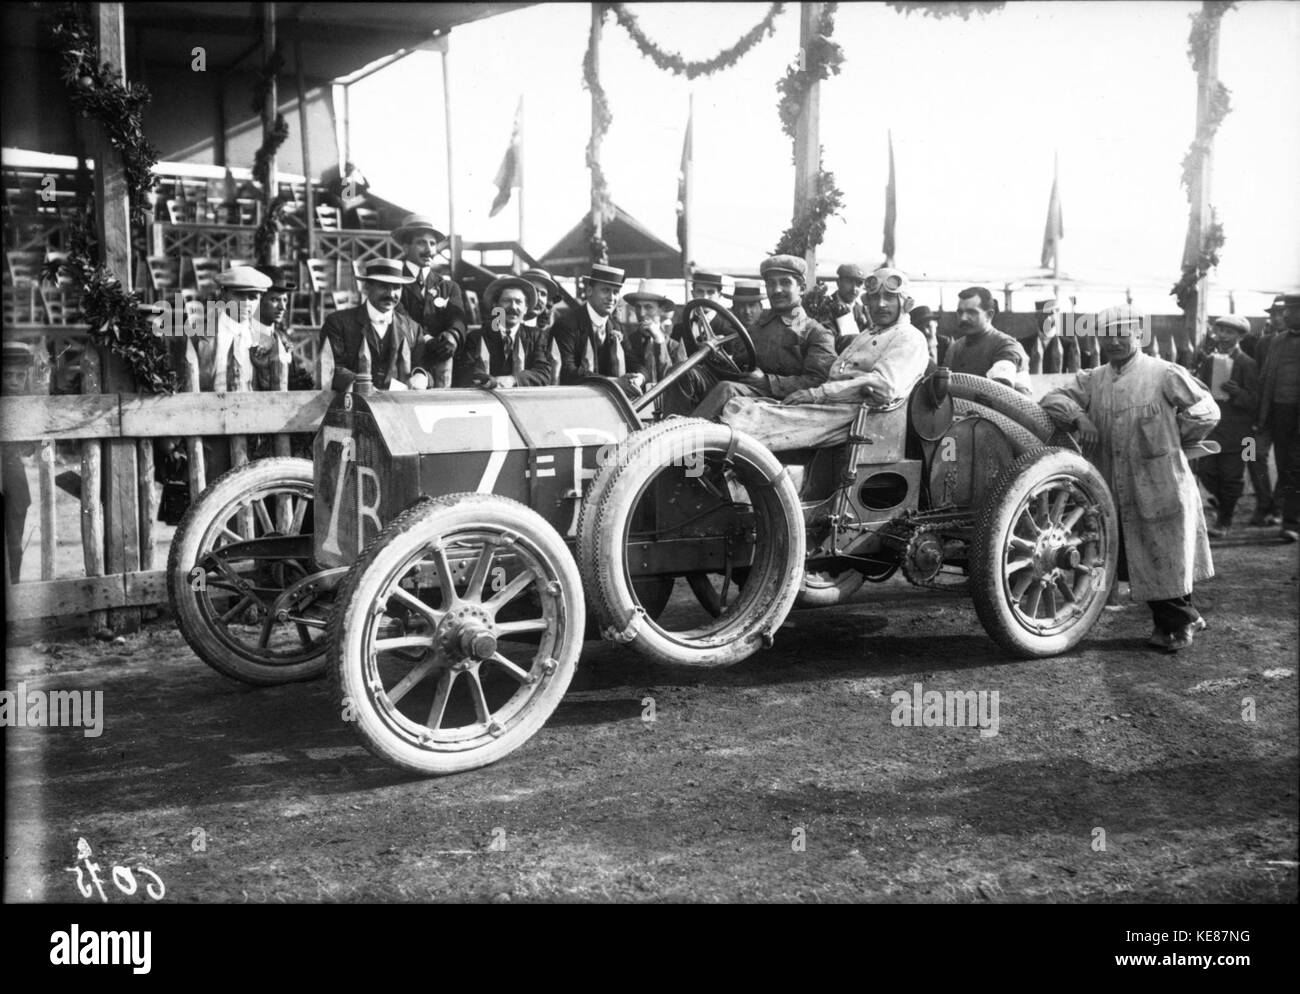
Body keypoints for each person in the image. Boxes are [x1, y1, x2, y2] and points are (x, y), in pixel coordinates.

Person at [1041, 304, 1220, 652]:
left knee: (1164, 553)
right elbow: (1052, 397)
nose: (1114, 342)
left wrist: (1174, 436)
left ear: (1139, 334)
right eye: (1106, 335)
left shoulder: (1164, 373)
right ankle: (1184, 617)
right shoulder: (1093, 379)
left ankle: (1180, 623)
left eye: (1122, 334)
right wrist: (1079, 416)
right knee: (1133, 555)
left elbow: (1206, 410)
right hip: (1112, 481)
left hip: (1160, 479)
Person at [719, 267, 930, 451]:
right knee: (734, 405)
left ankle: (694, 466)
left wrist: (810, 392)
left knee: (738, 413)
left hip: (857, 416)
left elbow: (882, 386)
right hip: (828, 406)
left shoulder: (908, 337)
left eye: (890, 297)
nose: (881, 304)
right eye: (875, 298)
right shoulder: (870, 333)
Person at [667, 254, 836, 420]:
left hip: (779, 403)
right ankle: (667, 429)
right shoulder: (756, 327)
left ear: (801, 287)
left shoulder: (815, 333)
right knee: (681, 372)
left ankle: (685, 440)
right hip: (745, 392)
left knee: (728, 389)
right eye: (771, 284)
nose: (777, 290)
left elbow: (819, 381)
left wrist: (767, 382)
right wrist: (718, 360)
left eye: (785, 282)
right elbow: (739, 366)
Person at [320, 258, 435, 392]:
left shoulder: (413, 328)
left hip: (397, 407)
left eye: (397, 287)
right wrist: (357, 385)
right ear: (367, 286)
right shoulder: (338, 323)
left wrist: (421, 375)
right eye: (384, 286)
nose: (391, 294)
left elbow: (425, 367)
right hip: (353, 405)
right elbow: (331, 367)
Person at [1194, 315, 1259, 538]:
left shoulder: (1247, 364)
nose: (1223, 336)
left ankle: (1224, 521)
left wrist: (1238, 393)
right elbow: (1199, 390)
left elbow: (1255, 401)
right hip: (1212, 430)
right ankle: (1222, 502)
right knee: (1206, 472)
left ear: (1240, 336)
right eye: (1220, 331)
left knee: (1231, 477)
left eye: (1229, 332)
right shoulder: (1210, 361)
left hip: (1238, 433)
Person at [393, 212, 465, 386]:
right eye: (421, 243)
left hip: (440, 364)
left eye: (432, 244)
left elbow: (459, 320)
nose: (429, 250)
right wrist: (428, 340)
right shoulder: (394, 283)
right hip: (402, 362)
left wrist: (452, 336)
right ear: (405, 247)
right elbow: (401, 318)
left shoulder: (448, 287)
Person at [550, 263, 642, 395]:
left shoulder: (617, 327)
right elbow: (567, 370)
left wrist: (638, 378)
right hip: (574, 400)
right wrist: (614, 382)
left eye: (616, 292)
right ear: (589, 291)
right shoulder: (566, 325)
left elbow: (634, 362)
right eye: (605, 290)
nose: (611, 298)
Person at [454, 275, 554, 388]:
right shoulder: (476, 337)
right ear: (495, 305)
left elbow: (543, 373)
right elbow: (467, 371)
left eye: (518, 302)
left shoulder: (536, 337)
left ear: (525, 308)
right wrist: (490, 381)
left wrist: (513, 380)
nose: (513, 307)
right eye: (507, 301)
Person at [1255, 293, 1300, 542]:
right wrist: (1262, 415)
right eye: (1284, 311)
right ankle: (1286, 519)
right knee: (1285, 466)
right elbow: (1264, 380)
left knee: (1295, 467)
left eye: (1291, 311)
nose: (1285, 316)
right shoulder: (1276, 341)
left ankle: (1291, 521)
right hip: (1279, 413)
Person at [200, 266, 280, 392]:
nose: (245, 303)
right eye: (238, 295)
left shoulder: (263, 340)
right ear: (224, 294)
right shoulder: (201, 337)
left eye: (253, 297)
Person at [1246, 296, 1287, 525]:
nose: (1277, 318)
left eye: (1281, 313)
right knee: (1250, 453)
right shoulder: (1263, 343)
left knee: (1288, 461)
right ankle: (1263, 502)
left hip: (1289, 413)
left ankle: (1279, 506)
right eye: (1273, 314)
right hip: (1261, 413)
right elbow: (1258, 377)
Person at [944, 286, 1031, 393]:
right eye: (960, 312)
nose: (963, 318)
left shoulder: (1006, 346)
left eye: (971, 312)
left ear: (989, 315)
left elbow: (1000, 394)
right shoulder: (955, 348)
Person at [1, 340, 34, 581]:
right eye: (8, 375)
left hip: (14, 477)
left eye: (20, 376)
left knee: (14, 542)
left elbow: (32, 446)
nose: (14, 381)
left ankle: (14, 583)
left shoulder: (25, 405)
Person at [622, 278, 686, 387]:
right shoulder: (627, 343)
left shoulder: (675, 347)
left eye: (648, 307)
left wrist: (659, 340)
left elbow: (676, 383)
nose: (641, 313)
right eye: (638, 307)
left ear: (662, 310)